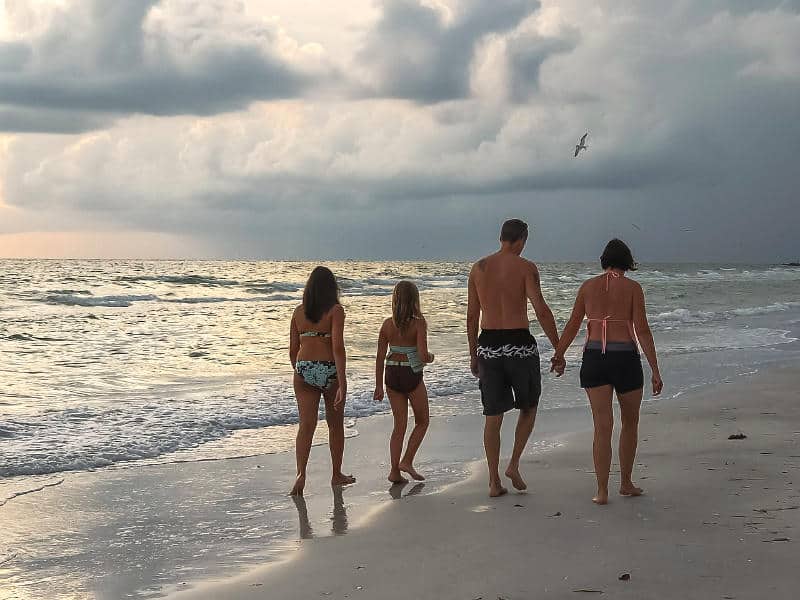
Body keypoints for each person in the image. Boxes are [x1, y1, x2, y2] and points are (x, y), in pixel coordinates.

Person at [551, 239, 663, 505]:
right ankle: (625, 482)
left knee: (602, 427)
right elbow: (643, 330)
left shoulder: (587, 287)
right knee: (630, 423)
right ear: (628, 262)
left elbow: (573, 323)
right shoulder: (633, 289)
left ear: (604, 260)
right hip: (625, 358)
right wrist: (655, 369)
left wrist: (559, 354)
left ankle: (601, 491)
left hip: (594, 359)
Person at [467, 219, 560, 497]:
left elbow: (472, 317)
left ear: (501, 238)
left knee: (493, 415)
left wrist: (473, 353)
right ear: (522, 238)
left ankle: (494, 481)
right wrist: (558, 347)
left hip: (489, 345)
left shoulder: (479, 268)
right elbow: (541, 309)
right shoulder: (526, 268)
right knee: (528, 406)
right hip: (520, 344)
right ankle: (514, 464)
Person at [289, 266, 356, 496]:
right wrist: (342, 381)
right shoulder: (336, 311)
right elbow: (338, 347)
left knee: (306, 426)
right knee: (335, 425)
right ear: (331, 288)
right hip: (329, 370)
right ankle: (336, 474)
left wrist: (301, 372)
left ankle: (300, 473)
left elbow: (292, 350)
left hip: (304, 369)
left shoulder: (298, 312)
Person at [374, 281, 434, 483]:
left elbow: (380, 357)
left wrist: (378, 386)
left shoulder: (387, 324)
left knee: (399, 425)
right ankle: (407, 460)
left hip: (391, 375)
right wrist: (431, 357)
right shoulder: (418, 323)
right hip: (411, 374)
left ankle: (394, 471)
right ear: (415, 300)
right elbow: (423, 355)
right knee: (422, 420)